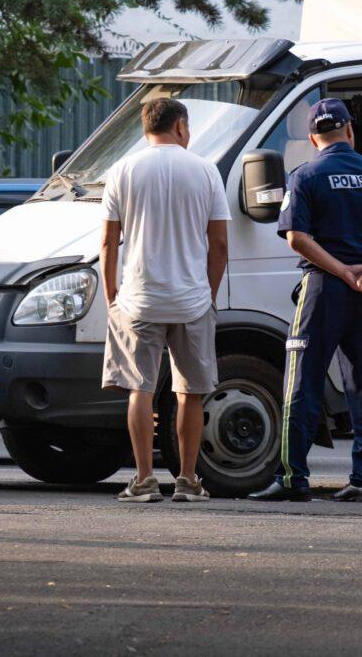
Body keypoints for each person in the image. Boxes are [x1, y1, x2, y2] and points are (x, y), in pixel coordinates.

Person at [248, 98, 362, 503]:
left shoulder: (305, 175)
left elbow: (297, 238)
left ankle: (292, 478)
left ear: (312, 137)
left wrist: (342, 271)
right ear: (350, 131)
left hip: (325, 287)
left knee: (302, 381)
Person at [100, 97, 230, 503]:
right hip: (191, 298)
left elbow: (108, 242)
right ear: (180, 127)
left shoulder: (122, 171)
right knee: (189, 392)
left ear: (145, 128)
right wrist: (207, 294)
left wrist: (111, 298)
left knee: (140, 388)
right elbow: (220, 243)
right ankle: (188, 481)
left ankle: (143, 480)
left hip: (139, 298)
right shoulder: (206, 171)